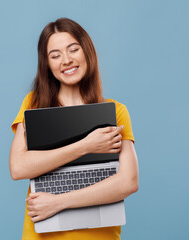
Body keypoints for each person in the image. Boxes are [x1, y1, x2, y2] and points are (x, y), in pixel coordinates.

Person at [9, 18, 139, 240]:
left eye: (73, 49)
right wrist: (86, 145)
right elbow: (18, 168)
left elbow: (129, 181)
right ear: (47, 65)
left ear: (87, 51)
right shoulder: (34, 105)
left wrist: (59, 202)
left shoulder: (116, 111)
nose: (66, 60)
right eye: (55, 55)